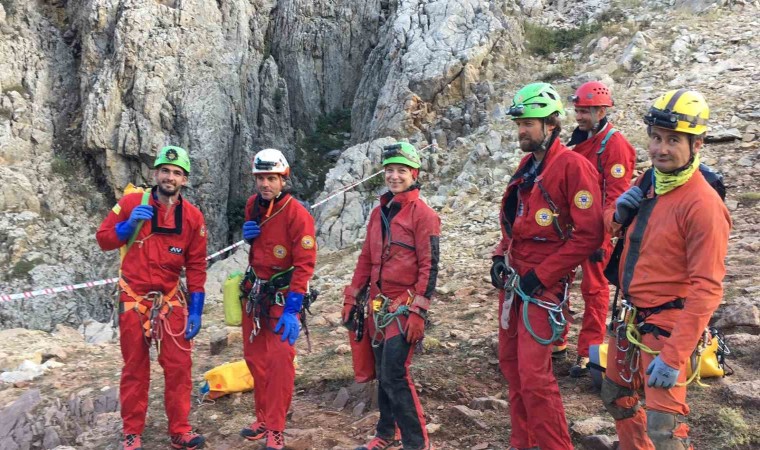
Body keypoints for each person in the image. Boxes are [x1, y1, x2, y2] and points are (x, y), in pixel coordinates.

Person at [601, 90, 730, 449]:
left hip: (667, 326)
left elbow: (708, 289)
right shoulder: (649, 182)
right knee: (616, 398)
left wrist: (673, 357)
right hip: (631, 317)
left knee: (664, 429)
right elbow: (613, 229)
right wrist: (616, 214)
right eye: (656, 138)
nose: (660, 149)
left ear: (696, 144)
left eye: (673, 140)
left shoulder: (703, 205)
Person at [490, 82, 603, 450]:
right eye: (519, 124)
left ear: (551, 124)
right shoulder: (528, 167)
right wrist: (499, 255)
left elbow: (589, 235)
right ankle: (521, 442)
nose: (521, 131)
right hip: (517, 280)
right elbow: (517, 221)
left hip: (542, 286)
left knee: (534, 375)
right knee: (511, 366)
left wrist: (542, 275)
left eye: (528, 124)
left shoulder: (573, 167)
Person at [96, 146, 207, 450]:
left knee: (179, 365)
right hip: (134, 298)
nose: (170, 177)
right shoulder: (132, 203)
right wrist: (128, 225)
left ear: (184, 179)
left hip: (170, 299)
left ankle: (180, 430)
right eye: (165, 171)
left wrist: (196, 309)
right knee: (135, 367)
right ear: (155, 173)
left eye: (177, 173)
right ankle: (132, 432)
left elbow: (196, 266)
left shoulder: (192, 217)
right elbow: (103, 239)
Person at [342, 142, 440, 450]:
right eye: (389, 170)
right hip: (378, 308)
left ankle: (416, 443)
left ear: (414, 174)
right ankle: (386, 433)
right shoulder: (378, 214)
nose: (394, 176)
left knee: (395, 373)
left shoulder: (424, 215)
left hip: (403, 308)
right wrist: (352, 297)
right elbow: (366, 259)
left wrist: (419, 311)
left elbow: (429, 266)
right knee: (383, 373)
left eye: (401, 171)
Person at [238, 148, 317, 450]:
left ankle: (276, 427)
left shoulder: (297, 215)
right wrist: (249, 237)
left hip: (283, 298)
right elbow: (259, 248)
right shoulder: (252, 206)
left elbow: (305, 265)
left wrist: (293, 309)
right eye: (260, 178)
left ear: (283, 179)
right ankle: (263, 418)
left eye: (271, 178)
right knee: (255, 360)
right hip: (256, 293)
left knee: (280, 361)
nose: (265, 184)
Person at [565, 81, 637, 377]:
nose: (579, 116)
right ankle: (556, 340)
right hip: (570, 224)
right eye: (578, 111)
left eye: (585, 111)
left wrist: (604, 232)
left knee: (594, 289)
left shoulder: (614, 145)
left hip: (595, 229)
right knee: (558, 281)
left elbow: (616, 194)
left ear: (601, 111)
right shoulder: (580, 140)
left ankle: (589, 351)